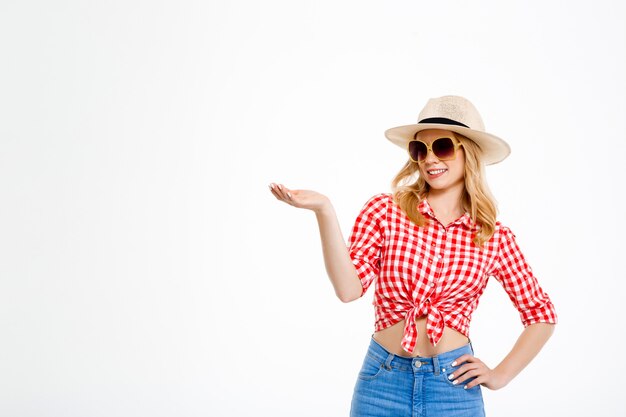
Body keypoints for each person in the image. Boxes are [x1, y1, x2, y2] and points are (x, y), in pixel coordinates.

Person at [269, 95, 557, 417]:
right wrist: (324, 210)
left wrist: (499, 375)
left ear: (469, 153)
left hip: (453, 388)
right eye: (421, 150)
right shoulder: (385, 211)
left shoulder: (492, 236)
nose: (430, 159)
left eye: (443, 147)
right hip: (382, 383)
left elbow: (540, 313)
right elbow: (348, 290)